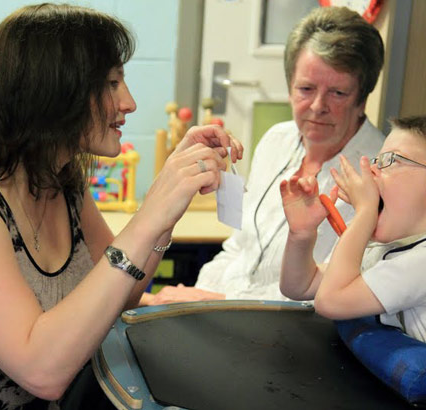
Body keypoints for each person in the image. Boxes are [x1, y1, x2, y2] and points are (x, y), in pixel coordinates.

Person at [0, 4, 243, 409]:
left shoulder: (61, 178)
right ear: (55, 90)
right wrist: (150, 212)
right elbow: (41, 370)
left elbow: (126, 292)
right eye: (112, 83)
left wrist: (167, 211)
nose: (129, 102)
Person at [143, 6, 385, 305]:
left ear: (362, 98)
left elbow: (336, 289)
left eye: (338, 93)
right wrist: (194, 298)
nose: (318, 106)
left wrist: (216, 303)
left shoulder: (377, 174)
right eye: (306, 89)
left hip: (293, 326)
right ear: (289, 88)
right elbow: (239, 247)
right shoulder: (276, 141)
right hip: (223, 307)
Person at [279, 113, 426, 358]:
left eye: (391, 160)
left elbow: (330, 302)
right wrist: (301, 235)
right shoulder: (401, 249)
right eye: (378, 158)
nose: (370, 169)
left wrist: (365, 213)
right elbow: (300, 286)